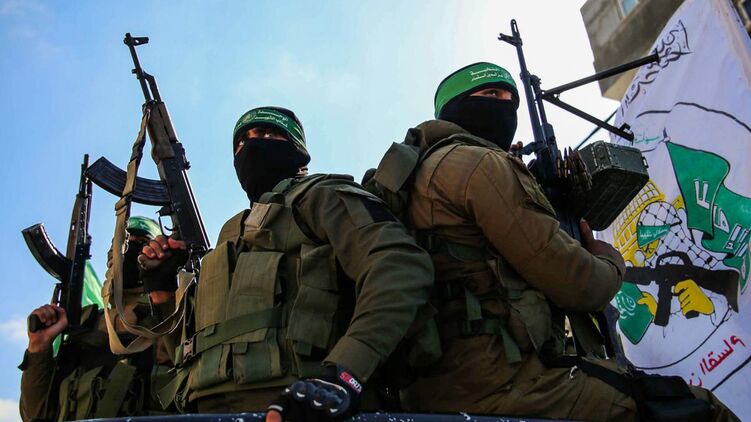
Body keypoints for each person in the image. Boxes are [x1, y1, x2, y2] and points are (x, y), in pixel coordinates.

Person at [382, 62, 737, 421]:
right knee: (695, 409)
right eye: (491, 94)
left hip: (438, 384)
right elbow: (579, 284)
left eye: (510, 100)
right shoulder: (479, 164)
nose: (504, 105)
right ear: (457, 106)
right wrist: (610, 260)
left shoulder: (418, 174)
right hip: (499, 382)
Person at [139, 106, 433, 421]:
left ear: (297, 150)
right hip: (207, 409)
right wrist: (162, 290)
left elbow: (399, 266)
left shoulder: (321, 195)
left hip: (305, 403)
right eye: (242, 142)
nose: (252, 145)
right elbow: (191, 350)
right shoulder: (228, 235)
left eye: (268, 134)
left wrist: (345, 373)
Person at [19, 216, 175, 421]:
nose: (130, 249)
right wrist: (39, 348)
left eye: (143, 243)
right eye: (124, 242)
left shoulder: (172, 316)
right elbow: (36, 415)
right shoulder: (84, 324)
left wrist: (163, 295)